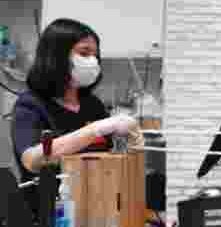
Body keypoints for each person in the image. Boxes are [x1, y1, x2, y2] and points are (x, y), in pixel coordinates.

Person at [11, 18, 139, 209]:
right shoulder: (31, 105)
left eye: (95, 55)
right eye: (84, 53)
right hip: (48, 215)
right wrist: (95, 130)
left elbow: (110, 156)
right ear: (56, 55)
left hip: (97, 211)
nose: (92, 61)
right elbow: (32, 159)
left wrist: (129, 140)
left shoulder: (92, 105)